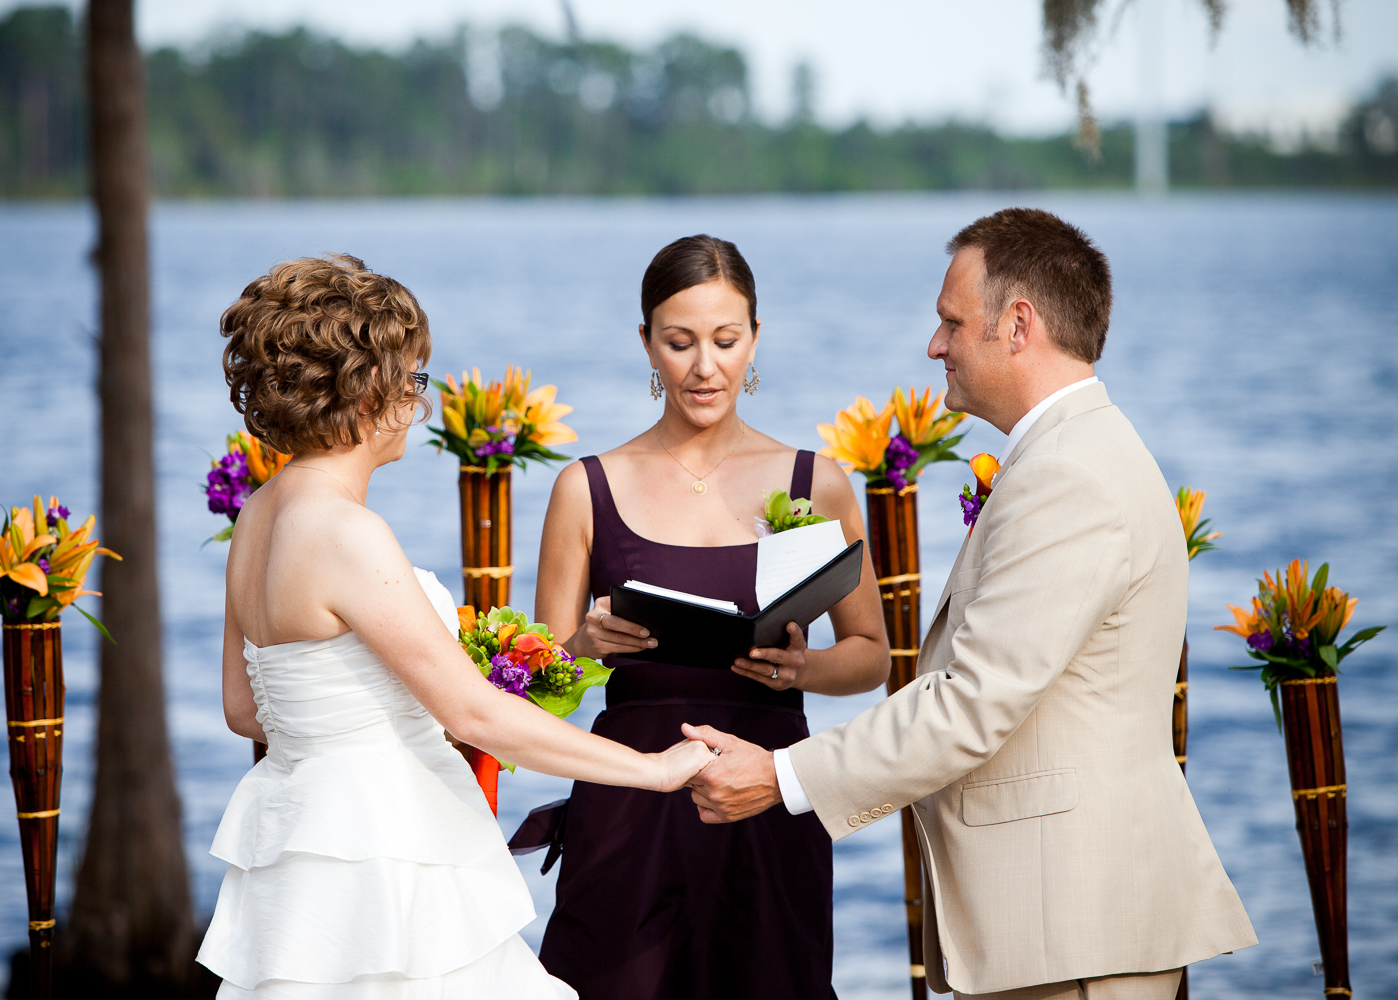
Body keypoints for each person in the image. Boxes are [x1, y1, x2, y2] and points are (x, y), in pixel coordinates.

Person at [683, 209, 1257, 1000]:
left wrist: (783, 776)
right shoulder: (1076, 452)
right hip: (1065, 924)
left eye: (952, 322)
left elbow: (972, 704)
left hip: (1074, 932)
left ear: (1017, 325)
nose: (935, 344)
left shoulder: (1068, 477)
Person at [194, 254, 715, 999]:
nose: (420, 401)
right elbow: (473, 711)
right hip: (387, 849)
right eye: (414, 380)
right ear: (369, 388)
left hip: (303, 843)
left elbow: (245, 708)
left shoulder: (256, 517)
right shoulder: (347, 531)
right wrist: (655, 771)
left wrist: (360, 718)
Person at [532, 235, 890, 1000]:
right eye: (680, 342)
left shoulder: (816, 482)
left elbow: (871, 655)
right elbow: (542, 693)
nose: (705, 367)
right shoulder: (584, 488)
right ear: (646, 345)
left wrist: (805, 668)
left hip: (765, 800)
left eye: (726, 341)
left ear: (755, 338)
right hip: (626, 804)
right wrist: (586, 645)